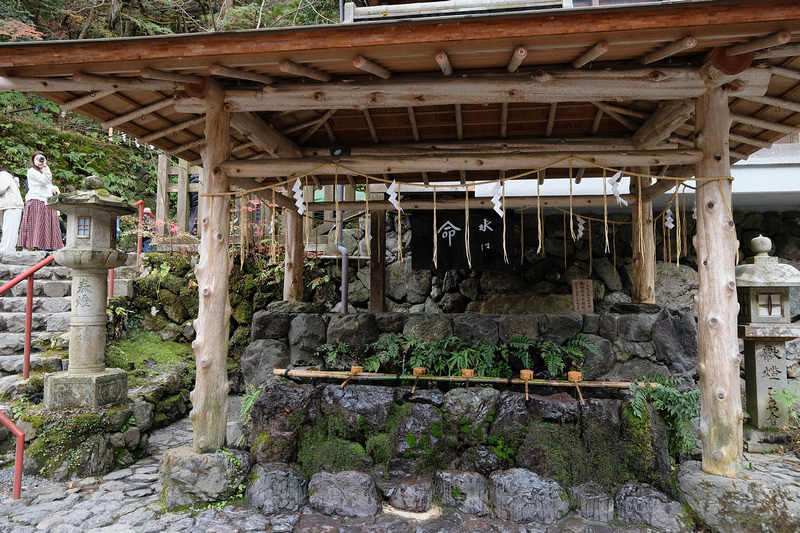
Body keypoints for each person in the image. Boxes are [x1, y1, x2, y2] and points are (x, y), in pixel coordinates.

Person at [18, 151, 62, 251]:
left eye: (43, 158)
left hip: (47, 201)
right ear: (33, 161)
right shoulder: (31, 171)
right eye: (37, 159)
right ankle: (28, 249)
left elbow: (48, 185)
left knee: (46, 226)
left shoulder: (44, 172)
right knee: (34, 225)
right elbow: (44, 180)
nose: (41, 161)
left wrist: (55, 187)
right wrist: (46, 168)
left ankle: (46, 248)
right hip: (36, 200)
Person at [0, 167, 23, 255]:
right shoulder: (6, 175)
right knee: (10, 228)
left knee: (9, 229)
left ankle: (5, 250)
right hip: (11, 205)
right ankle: (9, 249)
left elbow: (1, 188)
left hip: (12, 205)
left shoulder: (3, 175)